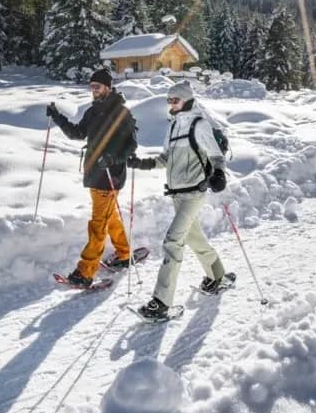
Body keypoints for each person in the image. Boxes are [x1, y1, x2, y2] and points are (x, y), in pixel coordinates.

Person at [127, 80, 230, 319]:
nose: (171, 104)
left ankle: (161, 302)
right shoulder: (173, 127)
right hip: (176, 193)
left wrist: (219, 174)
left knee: (173, 242)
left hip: (194, 192)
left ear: (187, 100)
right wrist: (142, 163)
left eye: (176, 99)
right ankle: (218, 275)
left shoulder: (199, 124)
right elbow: (165, 158)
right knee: (194, 238)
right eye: (169, 100)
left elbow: (215, 155)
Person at [45, 68, 137, 286]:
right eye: (91, 87)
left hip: (110, 176)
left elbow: (131, 145)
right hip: (95, 174)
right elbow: (77, 133)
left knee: (98, 225)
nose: (94, 91)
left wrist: (112, 158)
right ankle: (124, 254)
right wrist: (57, 117)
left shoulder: (121, 113)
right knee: (109, 217)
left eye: (98, 87)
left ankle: (85, 272)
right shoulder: (93, 111)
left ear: (108, 87)